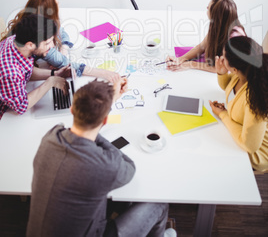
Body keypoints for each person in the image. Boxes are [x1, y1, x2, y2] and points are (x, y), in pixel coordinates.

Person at [26, 78, 172, 237]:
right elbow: (129, 167)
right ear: (105, 121)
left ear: (72, 110)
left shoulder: (51, 136)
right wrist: (102, 115)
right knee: (159, 203)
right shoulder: (105, 165)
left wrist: (101, 112)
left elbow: (78, 132)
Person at [2, 0, 120, 83]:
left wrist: (64, 47)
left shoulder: (31, 23)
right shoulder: (38, 39)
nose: (59, 7)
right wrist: (103, 73)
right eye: (57, 5)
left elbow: (61, 32)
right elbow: (66, 64)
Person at [209, 36, 268, 172]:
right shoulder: (246, 73)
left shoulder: (255, 98)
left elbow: (249, 145)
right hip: (241, 132)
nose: (221, 59)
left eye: (224, 57)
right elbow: (228, 87)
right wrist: (221, 72)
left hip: (255, 152)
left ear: (235, 69)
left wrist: (223, 115)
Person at [0, 14, 70, 120]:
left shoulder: (15, 41)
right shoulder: (10, 73)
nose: (51, 46)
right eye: (47, 43)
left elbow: (26, 71)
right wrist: (50, 83)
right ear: (30, 45)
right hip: (6, 117)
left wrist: (55, 74)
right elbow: (21, 106)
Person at [166, 0, 246, 73]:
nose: (206, 8)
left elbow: (222, 69)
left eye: (208, 8)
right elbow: (202, 46)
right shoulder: (219, 26)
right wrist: (180, 59)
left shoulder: (235, 39)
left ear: (216, 16)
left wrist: (190, 64)